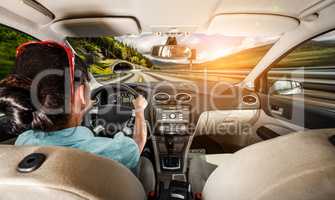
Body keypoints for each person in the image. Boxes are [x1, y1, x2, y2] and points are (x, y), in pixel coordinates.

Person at [0, 41, 148, 170]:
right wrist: (140, 110)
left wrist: (82, 108)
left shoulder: (24, 141)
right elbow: (138, 143)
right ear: (80, 94)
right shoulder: (109, 153)